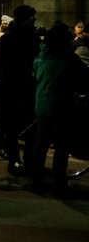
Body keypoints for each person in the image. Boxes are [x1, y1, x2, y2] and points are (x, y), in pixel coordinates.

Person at [31, 22, 87, 196]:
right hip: (62, 106)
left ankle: (37, 181)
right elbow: (83, 80)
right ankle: (59, 183)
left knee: (41, 144)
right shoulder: (69, 59)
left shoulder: (40, 57)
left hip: (42, 105)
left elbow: (34, 78)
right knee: (62, 146)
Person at [0, 4, 40, 176]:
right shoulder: (32, 38)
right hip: (24, 87)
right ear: (25, 18)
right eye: (32, 17)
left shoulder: (8, 37)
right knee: (30, 127)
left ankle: (14, 160)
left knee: (12, 127)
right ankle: (27, 162)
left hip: (10, 87)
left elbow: (2, 63)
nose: (34, 20)